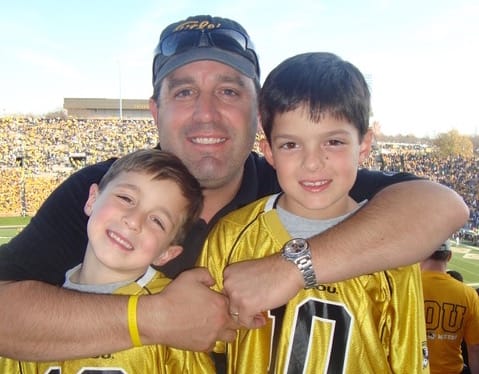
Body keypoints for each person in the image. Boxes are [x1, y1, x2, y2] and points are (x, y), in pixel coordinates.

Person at [0, 14, 468, 361]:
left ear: (258, 112)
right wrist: (154, 319)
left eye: (228, 91)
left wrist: (294, 267)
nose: (206, 113)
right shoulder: (108, 191)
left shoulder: (301, 177)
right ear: (154, 110)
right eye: (183, 92)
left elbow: (441, 206)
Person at [199, 52, 430, 372]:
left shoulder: (391, 251)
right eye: (291, 145)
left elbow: (407, 363)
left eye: (333, 142)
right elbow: (200, 347)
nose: (312, 162)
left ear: (363, 146)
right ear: (268, 151)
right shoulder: (231, 235)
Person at [0, 148, 216, 372]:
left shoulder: (179, 315)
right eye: (126, 198)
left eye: (157, 221)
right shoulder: (35, 301)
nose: (134, 221)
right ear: (92, 199)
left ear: (167, 254)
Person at [421, 241, 479, 374]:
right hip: (451, 370)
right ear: (449, 256)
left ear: (422, 253)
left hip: (413, 368)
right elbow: (474, 348)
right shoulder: (468, 294)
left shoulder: (403, 289)